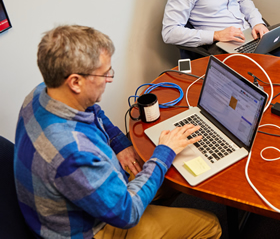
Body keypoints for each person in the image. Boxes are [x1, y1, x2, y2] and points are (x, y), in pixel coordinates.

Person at [14, 25, 221, 239]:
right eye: (104, 74)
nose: (109, 79)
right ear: (75, 82)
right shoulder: (73, 152)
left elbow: (93, 109)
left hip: (87, 194)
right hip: (92, 228)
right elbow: (127, 212)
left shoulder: (42, 93)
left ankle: (157, 211)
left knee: (176, 176)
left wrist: (118, 142)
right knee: (210, 225)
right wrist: (164, 152)